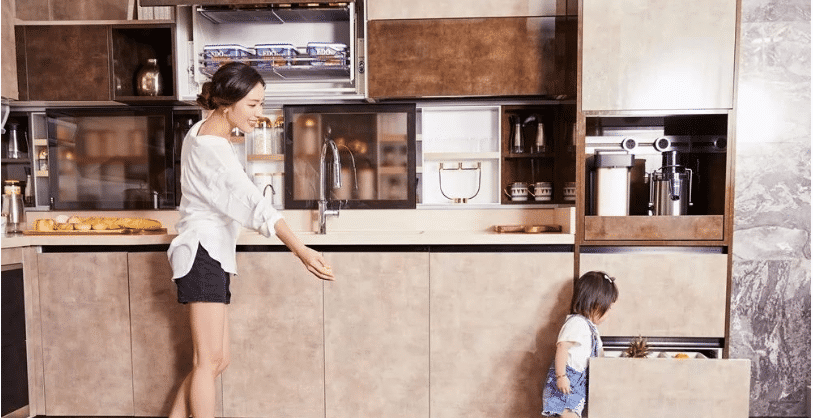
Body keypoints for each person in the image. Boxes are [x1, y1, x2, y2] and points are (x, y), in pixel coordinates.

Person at [166, 61, 335, 418]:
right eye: (253, 104)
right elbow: (255, 204)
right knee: (207, 361)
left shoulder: (202, 131)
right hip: (201, 254)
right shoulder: (213, 147)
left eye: (262, 103)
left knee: (217, 360)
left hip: (209, 254)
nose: (260, 113)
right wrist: (301, 249)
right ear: (227, 103)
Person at [541, 271, 619, 418]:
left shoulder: (592, 330)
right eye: (607, 308)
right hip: (567, 383)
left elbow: (599, 355)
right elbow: (562, 347)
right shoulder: (577, 323)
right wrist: (561, 376)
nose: (608, 313)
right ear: (595, 304)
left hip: (578, 386)